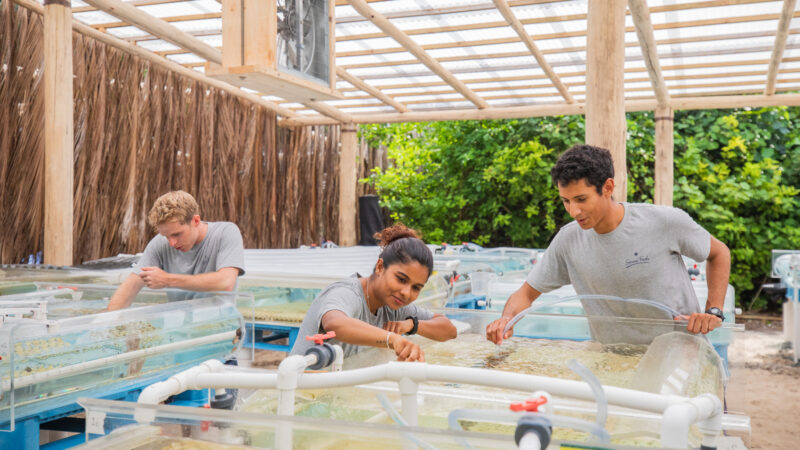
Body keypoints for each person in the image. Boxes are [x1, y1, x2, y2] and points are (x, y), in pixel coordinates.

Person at [486, 144, 731, 344]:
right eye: (565, 201)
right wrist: (505, 320)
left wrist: (713, 311)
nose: (574, 210)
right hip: (613, 362)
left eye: (581, 199)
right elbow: (525, 293)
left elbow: (719, 253)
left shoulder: (664, 221)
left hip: (678, 355)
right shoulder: (568, 240)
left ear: (608, 187)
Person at [290, 225, 457, 361]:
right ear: (380, 267)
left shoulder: (395, 307)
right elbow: (335, 324)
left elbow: (449, 330)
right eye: (401, 279)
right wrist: (392, 339)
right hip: (303, 392)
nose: (406, 293)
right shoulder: (347, 292)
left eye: (416, 287)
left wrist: (412, 324)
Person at [107, 190, 245, 310]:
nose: (172, 243)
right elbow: (131, 286)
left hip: (220, 327)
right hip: (178, 326)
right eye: (165, 236)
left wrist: (167, 280)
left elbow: (226, 282)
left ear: (196, 221)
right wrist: (106, 318)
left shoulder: (226, 233)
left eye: (177, 234)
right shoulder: (159, 244)